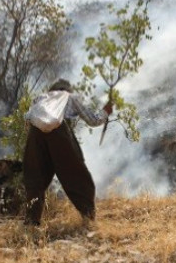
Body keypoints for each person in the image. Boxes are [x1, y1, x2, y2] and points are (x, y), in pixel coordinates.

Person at [22, 79, 112, 227]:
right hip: (59, 132)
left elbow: (27, 119)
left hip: (35, 134)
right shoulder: (70, 97)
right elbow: (93, 120)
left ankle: (31, 222)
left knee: (35, 178)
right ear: (67, 90)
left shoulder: (40, 98)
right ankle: (88, 217)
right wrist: (106, 112)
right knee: (77, 175)